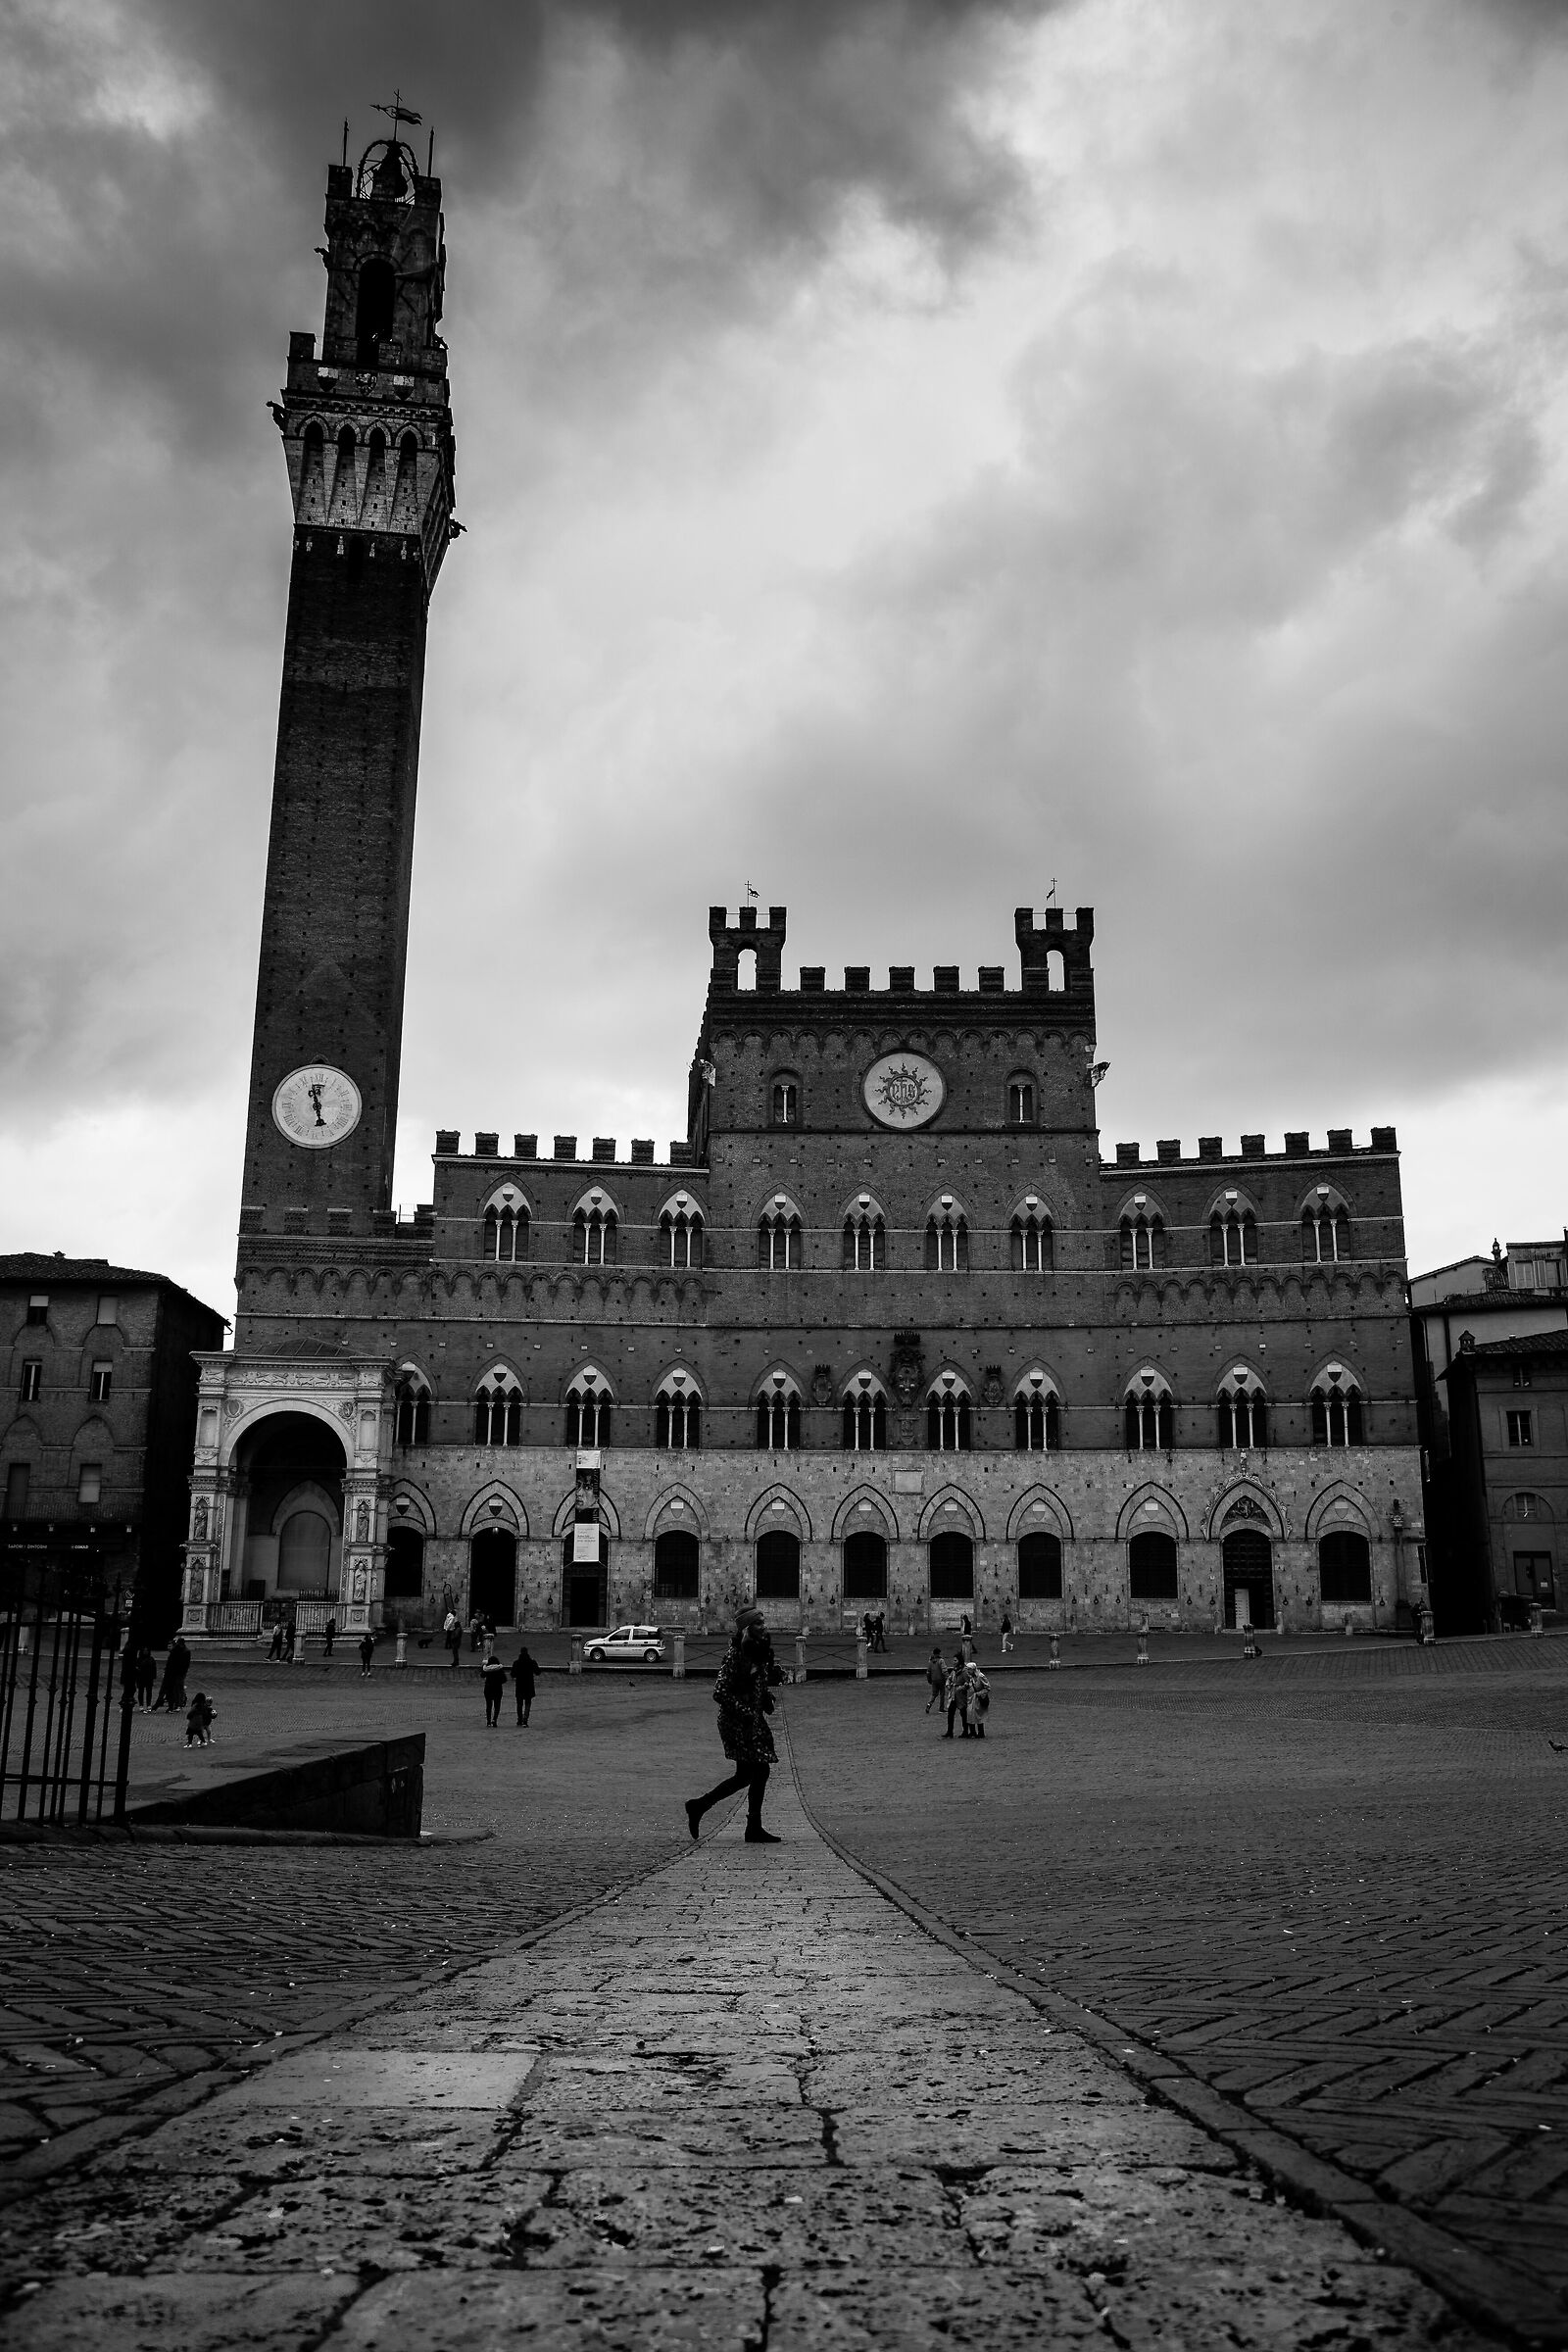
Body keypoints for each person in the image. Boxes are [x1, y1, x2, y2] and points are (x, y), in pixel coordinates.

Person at [685, 1607, 785, 1845]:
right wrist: (747, 1711)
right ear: (747, 1628)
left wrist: (766, 1695)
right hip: (737, 1722)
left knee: (747, 1774)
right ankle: (751, 1827)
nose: (764, 1627)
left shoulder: (756, 1651)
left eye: (764, 1622)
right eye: (759, 1623)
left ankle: (701, 1806)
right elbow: (720, 1692)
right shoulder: (735, 1654)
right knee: (758, 1771)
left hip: (749, 1720)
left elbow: (750, 1684)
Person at [511, 1644, 539, 1727]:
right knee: (528, 1703)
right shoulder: (532, 1662)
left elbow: (513, 1674)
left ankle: (519, 1719)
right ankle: (525, 1720)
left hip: (519, 1685)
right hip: (529, 1685)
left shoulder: (516, 1663)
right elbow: (538, 1672)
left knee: (519, 1704)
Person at [481, 1648, 507, 1728]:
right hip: (498, 1689)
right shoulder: (499, 1669)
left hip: (488, 1689)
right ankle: (494, 1719)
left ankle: (488, 1721)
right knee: (497, 1705)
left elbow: (482, 1675)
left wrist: (484, 1666)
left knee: (488, 1705)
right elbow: (504, 1679)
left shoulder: (487, 1669)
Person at [924, 1646, 947, 1715]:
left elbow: (928, 1672)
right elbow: (944, 1670)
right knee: (942, 1694)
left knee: (934, 1694)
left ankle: (929, 1705)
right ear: (939, 1653)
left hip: (934, 1680)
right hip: (941, 1680)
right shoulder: (941, 1661)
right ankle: (941, 1708)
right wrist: (948, 1678)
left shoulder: (930, 1662)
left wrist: (929, 1680)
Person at [134, 1643, 157, 1708]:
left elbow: (154, 1669)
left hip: (148, 1678)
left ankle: (148, 1705)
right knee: (141, 1692)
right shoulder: (139, 1659)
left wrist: (153, 1677)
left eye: (147, 1650)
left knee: (149, 1692)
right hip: (141, 1677)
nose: (145, 1652)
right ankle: (141, 1705)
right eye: (144, 1650)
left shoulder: (151, 1659)